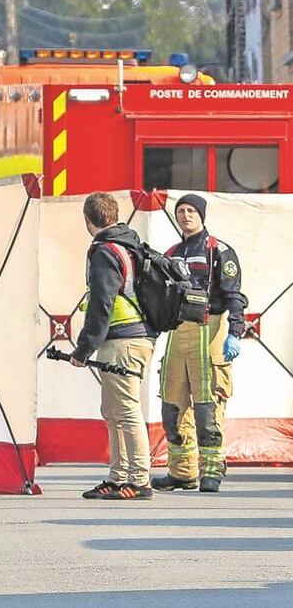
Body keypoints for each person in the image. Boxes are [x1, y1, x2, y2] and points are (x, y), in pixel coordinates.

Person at [152, 194, 246, 494]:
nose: (185, 215)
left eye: (191, 210)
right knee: (171, 408)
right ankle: (182, 473)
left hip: (211, 330)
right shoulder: (171, 253)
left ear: (201, 215)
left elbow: (234, 297)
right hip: (178, 334)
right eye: (180, 211)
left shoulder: (219, 250)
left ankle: (212, 471)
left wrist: (235, 332)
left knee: (207, 409)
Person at [70, 192, 158, 501]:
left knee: (127, 410)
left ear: (88, 220)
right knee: (113, 411)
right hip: (134, 338)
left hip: (124, 339)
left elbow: (101, 302)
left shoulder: (105, 251)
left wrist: (83, 349)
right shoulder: (130, 244)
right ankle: (118, 477)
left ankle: (139, 479)